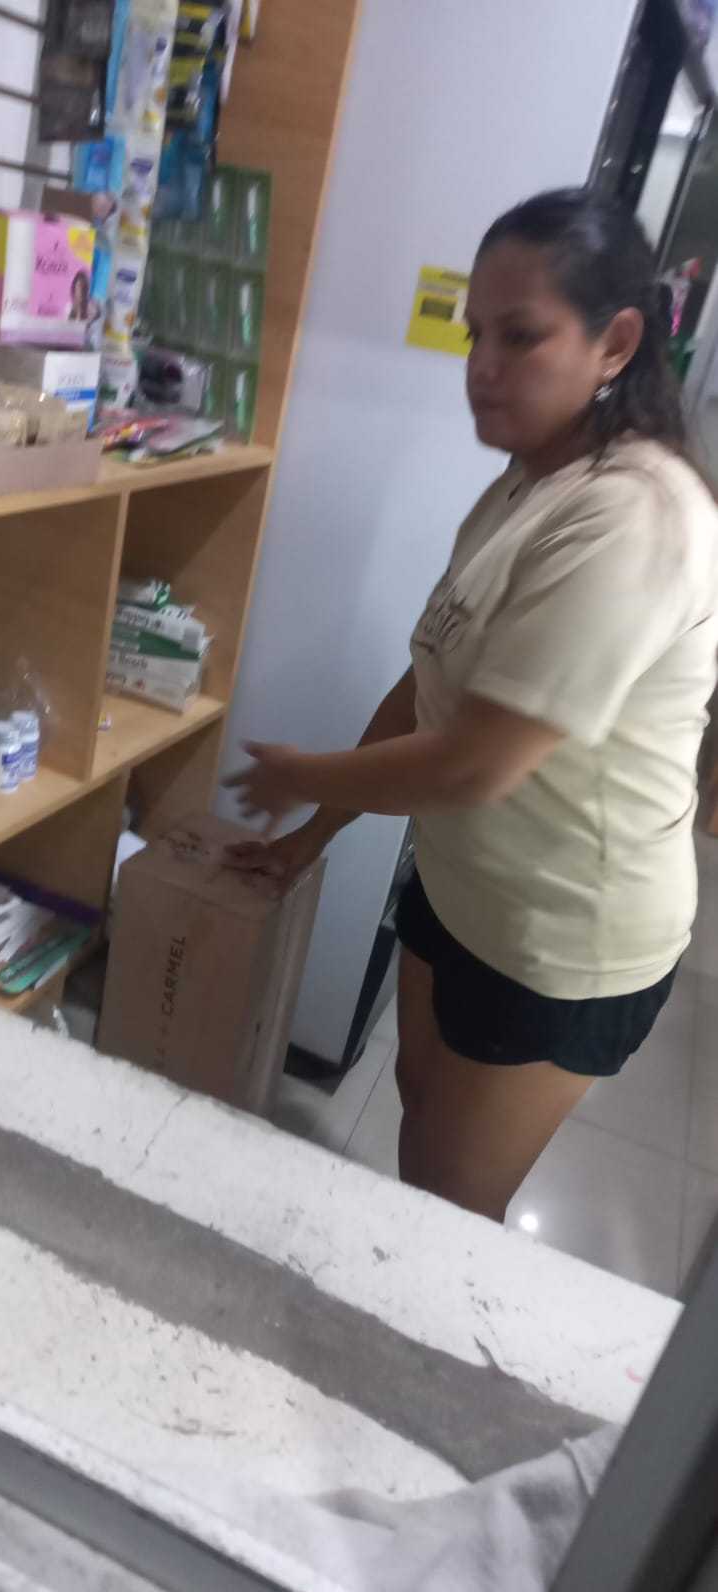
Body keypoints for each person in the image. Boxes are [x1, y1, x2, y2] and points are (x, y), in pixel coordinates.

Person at [226, 188, 718, 1224]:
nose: (482, 367)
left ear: (616, 342)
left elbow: (475, 761)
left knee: (448, 1208)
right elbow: (429, 684)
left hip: (564, 938)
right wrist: (313, 831)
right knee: (419, 1112)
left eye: (521, 336)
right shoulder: (528, 484)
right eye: (474, 335)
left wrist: (300, 772)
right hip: (466, 887)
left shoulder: (634, 515)